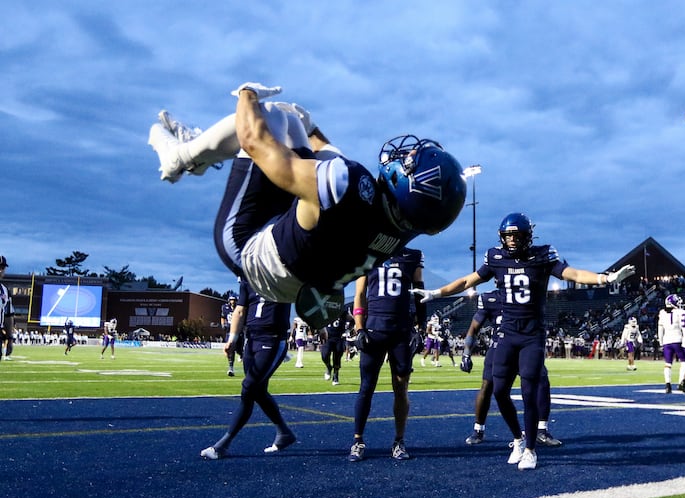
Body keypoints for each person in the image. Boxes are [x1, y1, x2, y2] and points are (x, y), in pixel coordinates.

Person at [147, 84, 467, 329]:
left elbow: (253, 141)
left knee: (271, 115)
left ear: (408, 183)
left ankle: (183, 156)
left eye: (409, 162)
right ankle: (200, 153)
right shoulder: (404, 227)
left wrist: (246, 94)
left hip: (248, 250)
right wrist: (309, 128)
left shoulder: (349, 185)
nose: (403, 157)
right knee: (292, 122)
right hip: (301, 274)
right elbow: (332, 159)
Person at [411, 212, 635, 470]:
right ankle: (518, 438)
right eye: (508, 236)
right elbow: (467, 280)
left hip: (532, 334)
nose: (512, 241)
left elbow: (572, 273)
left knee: (529, 392)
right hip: (506, 332)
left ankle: (530, 449)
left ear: (528, 236)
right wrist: (437, 292)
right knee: (499, 391)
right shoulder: (495, 257)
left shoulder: (542, 256)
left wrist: (605, 278)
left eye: (517, 235)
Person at [201, 280, 296, 459]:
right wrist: (233, 338)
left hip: (272, 340)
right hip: (251, 340)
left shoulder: (284, 274)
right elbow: (240, 309)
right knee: (258, 392)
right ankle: (284, 433)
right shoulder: (248, 278)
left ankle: (222, 445)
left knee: (248, 388)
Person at [349, 246, 426, 462]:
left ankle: (399, 441)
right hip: (374, 330)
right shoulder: (369, 252)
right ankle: (357, 440)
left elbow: (420, 291)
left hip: (401, 331)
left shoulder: (412, 255)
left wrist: (421, 327)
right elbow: (360, 293)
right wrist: (359, 327)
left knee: (401, 388)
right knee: (366, 387)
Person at [462, 289, 562, 447]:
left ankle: (541, 430)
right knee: (487, 386)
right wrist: (466, 354)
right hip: (499, 347)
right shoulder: (490, 298)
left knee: (542, 380)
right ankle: (478, 429)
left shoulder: (525, 294)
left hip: (524, 346)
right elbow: (474, 327)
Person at [657, 294, 685, 394]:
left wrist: (661, 341)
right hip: (678, 339)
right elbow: (684, 327)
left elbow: (660, 329)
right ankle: (681, 383)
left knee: (668, 363)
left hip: (667, 341)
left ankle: (667, 385)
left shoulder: (662, 313)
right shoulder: (680, 312)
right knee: (684, 362)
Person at [321, 307, 351, 385]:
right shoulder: (324, 310)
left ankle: (335, 375)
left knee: (337, 357)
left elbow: (352, 319)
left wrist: (348, 330)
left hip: (339, 337)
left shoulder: (342, 311)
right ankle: (328, 367)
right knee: (324, 355)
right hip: (328, 337)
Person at [221, 294, 243, 376]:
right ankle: (231, 368)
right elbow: (222, 317)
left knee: (239, 350)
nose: (232, 302)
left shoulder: (240, 308)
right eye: (231, 300)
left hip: (239, 331)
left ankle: (241, 354)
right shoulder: (225, 308)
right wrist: (223, 324)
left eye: (234, 300)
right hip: (229, 332)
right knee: (230, 349)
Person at [0, 256, 14, 361]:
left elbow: (8, 316)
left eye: (2, 267)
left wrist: (10, 338)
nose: (0, 270)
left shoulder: (4, 290)